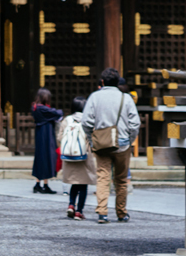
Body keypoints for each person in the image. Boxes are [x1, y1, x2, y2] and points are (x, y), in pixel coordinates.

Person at [82, 68, 141, 224]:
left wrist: (92, 138)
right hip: (122, 143)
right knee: (121, 179)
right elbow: (135, 123)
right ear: (118, 83)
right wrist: (130, 140)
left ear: (102, 82)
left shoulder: (94, 97)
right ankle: (121, 213)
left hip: (102, 143)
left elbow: (86, 121)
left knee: (102, 178)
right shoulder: (126, 98)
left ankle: (102, 213)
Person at [58, 95, 96, 220]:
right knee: (83, 184)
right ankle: (79, 211)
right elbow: (92, 137)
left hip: (70, 156)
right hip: (84, 156)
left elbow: (60, 138)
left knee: (74, 183)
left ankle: (70, 205)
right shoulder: (88, 120)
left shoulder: (66, 120)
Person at [31, 88, 62, 194]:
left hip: (40, 134)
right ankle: (43, 185)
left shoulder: (35, 108)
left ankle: (40, 184)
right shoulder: (43, 109)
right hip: (46, 135)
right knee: (47, 157)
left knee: (40, 157)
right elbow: (57, 113)